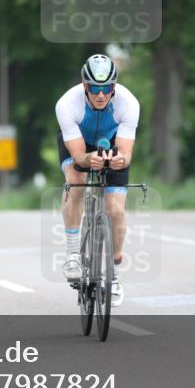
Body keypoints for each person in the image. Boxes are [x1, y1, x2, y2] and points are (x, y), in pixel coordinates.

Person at [56, 54, 139, 307]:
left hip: (112, 143)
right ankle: (73, 253)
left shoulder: (129, 103)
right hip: (78, 143)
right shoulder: (67, 104)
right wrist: (87, 159)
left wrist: (120, 160)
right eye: (94, 88)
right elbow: (79, 156)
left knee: (116, 209)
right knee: (76, 181)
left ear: (114, 86)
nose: (101, 95)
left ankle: (114, 274)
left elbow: (126, 153)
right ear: (85, 86)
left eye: (107, 88)